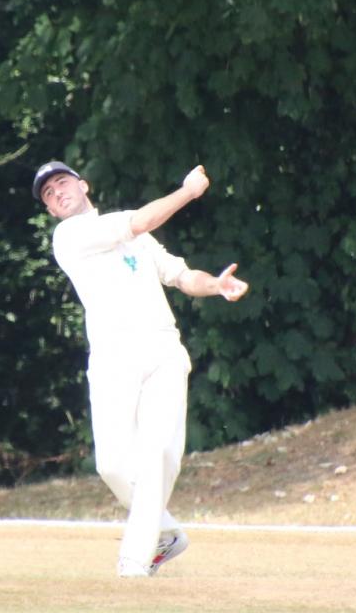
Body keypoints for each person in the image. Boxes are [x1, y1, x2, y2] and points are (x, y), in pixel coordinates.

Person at [32, 160, 249, 577]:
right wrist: (188, 192)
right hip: (113, 358)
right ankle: (165, 535)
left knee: (159, 455)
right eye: (48, 194)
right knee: (112, 465)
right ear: (52, 211)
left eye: (62, 182)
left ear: (83, 184)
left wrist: (216, 285)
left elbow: (183, 276)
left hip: (162, 350)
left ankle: (134, 562)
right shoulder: (70, 235)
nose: (57, 192)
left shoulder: (139, 239)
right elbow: (138, 221)